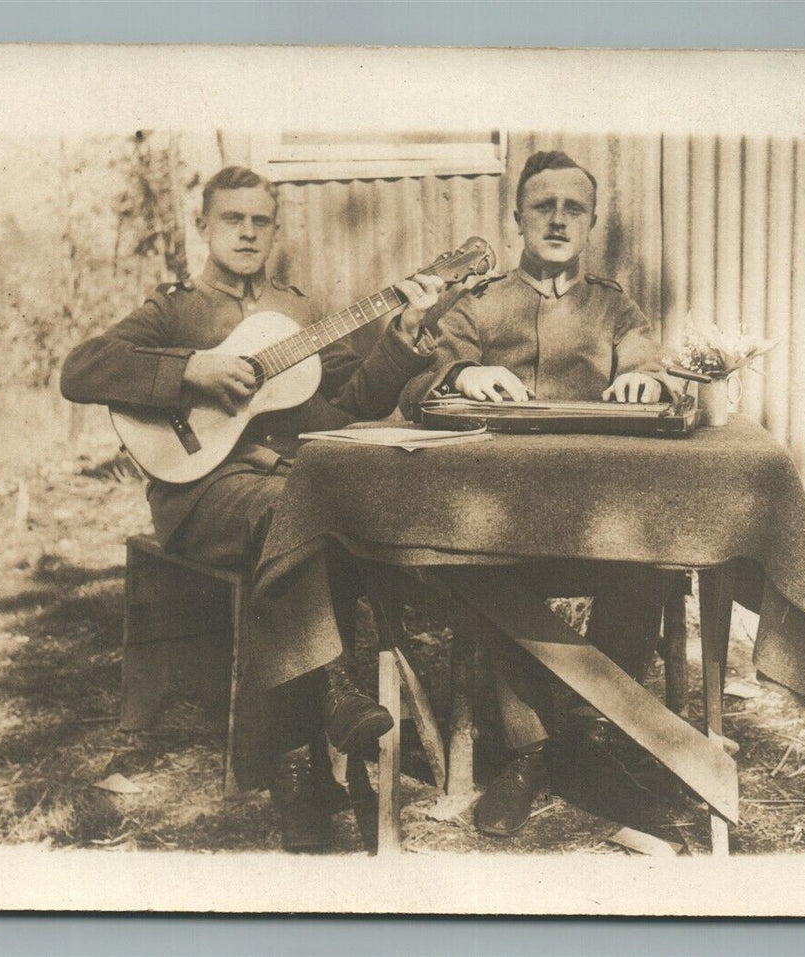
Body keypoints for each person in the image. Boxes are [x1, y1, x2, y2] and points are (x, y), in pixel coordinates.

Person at [61, 166, 444, 852]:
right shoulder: (175, 310)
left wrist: (402, 336)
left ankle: (308, 771)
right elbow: (81, 368)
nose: (245, 231)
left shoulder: (298, 314)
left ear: (274, 230)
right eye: (230, 218)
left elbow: (352, 403)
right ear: (203, 227)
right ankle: (330, 708)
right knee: (293, 514)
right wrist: (188, 371)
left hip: (286, 493)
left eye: (258, 220)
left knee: (312, 516)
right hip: (199, 493)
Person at [399, 150, 678, 837]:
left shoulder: (614, 306)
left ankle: (589, 738)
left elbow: (645, 355)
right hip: (503, 522)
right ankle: (528, 750)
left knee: (647, 569)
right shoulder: (480, 302)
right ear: (516, 219)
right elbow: (423, 375)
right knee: (483, 565)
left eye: (572, 208)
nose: (557, 219)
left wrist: (645, 379)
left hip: (598, 525)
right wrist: (462, 374)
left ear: (590, 224)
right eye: (542, 206)